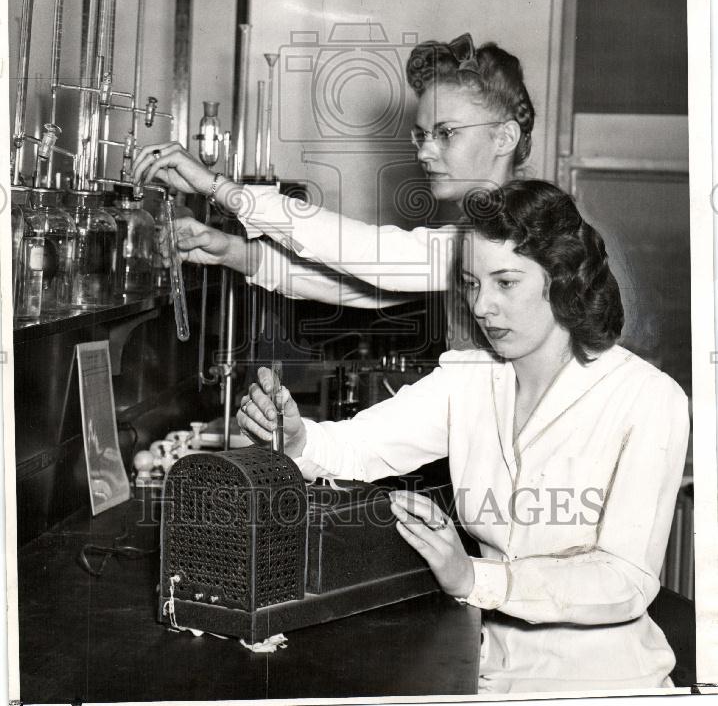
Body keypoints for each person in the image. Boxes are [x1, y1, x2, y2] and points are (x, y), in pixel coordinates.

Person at [234, 180, 689, 694]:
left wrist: (473, 578)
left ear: (563, 280)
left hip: (606, 686)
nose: (481, 306)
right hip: (488, 677)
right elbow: (360, 448)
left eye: (506, 283)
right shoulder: (471, 379)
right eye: (473, 284)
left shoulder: (647, 399)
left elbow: (624, 579)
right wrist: (296, 439)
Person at [132, 34, 537, 347]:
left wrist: (215, 185)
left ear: (504, 137)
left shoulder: (522, 232)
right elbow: (364, 286)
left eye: (446, 133)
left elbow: (375, 257)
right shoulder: (481, 231)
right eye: (422, 135)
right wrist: (231, 250)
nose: (425, 152)